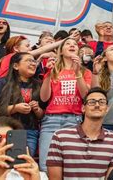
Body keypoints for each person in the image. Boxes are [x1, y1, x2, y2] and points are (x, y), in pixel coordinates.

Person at [39, 38, 91, 172]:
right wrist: (48, 74)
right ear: (60, 51)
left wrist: (78, 72)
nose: (72, 45)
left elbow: (86, 96)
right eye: (68, 43)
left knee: (71, 166)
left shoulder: (85, 72)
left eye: (75, 44)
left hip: (75, 120)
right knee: (46, 165)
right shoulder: (53, 70)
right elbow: (44, 98)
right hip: (51, 120)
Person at [46, 88, 113, 179]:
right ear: (83, 108)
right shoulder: (60, 136)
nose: (97, 105)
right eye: (92, 102)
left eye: (102, 102)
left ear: (107, 109)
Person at [0, 53, 44, 155]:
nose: (33, 63)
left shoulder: (39, 85)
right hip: (4, 130)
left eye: (34, 61)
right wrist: (14, 108)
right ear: (16, 66)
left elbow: (41, 116)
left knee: (22, 166)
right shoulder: (1, 83)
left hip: (30, 132)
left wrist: (37, 109)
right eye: (28, 60)